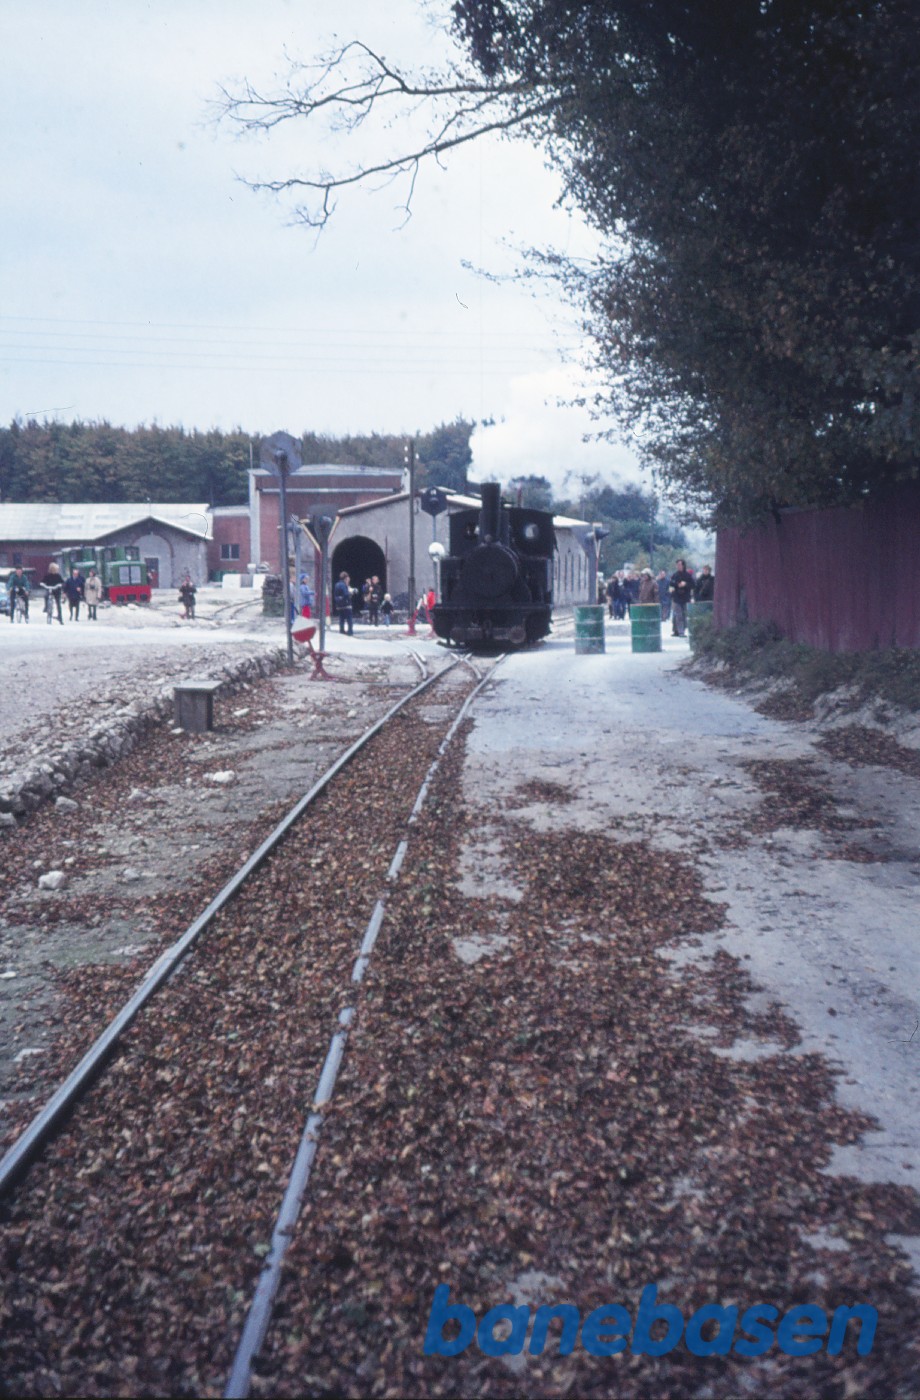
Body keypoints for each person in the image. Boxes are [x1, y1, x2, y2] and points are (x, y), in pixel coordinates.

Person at [669, 558, 694, 637]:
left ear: (683, 565)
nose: (678, 566)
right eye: (677, 565)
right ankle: (680, 632)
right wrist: (676, 585)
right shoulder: (674, 575)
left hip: (685, 598)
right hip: (676, 598)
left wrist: (685, 584)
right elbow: (671, 585)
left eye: (680, 565)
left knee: (684, 615)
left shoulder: (688, 575)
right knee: (678, 615)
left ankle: (682, 629)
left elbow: (693, 585)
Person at [334, 571, 354, 635]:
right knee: (349, 618)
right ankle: (350, 631)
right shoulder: (343, 585)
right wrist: (350, 593)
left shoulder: (337, 584)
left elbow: (335, 594)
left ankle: (341, 630)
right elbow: (345, 594)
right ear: (345, 578)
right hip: (346, 604)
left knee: (341, 618)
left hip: (339, 604)